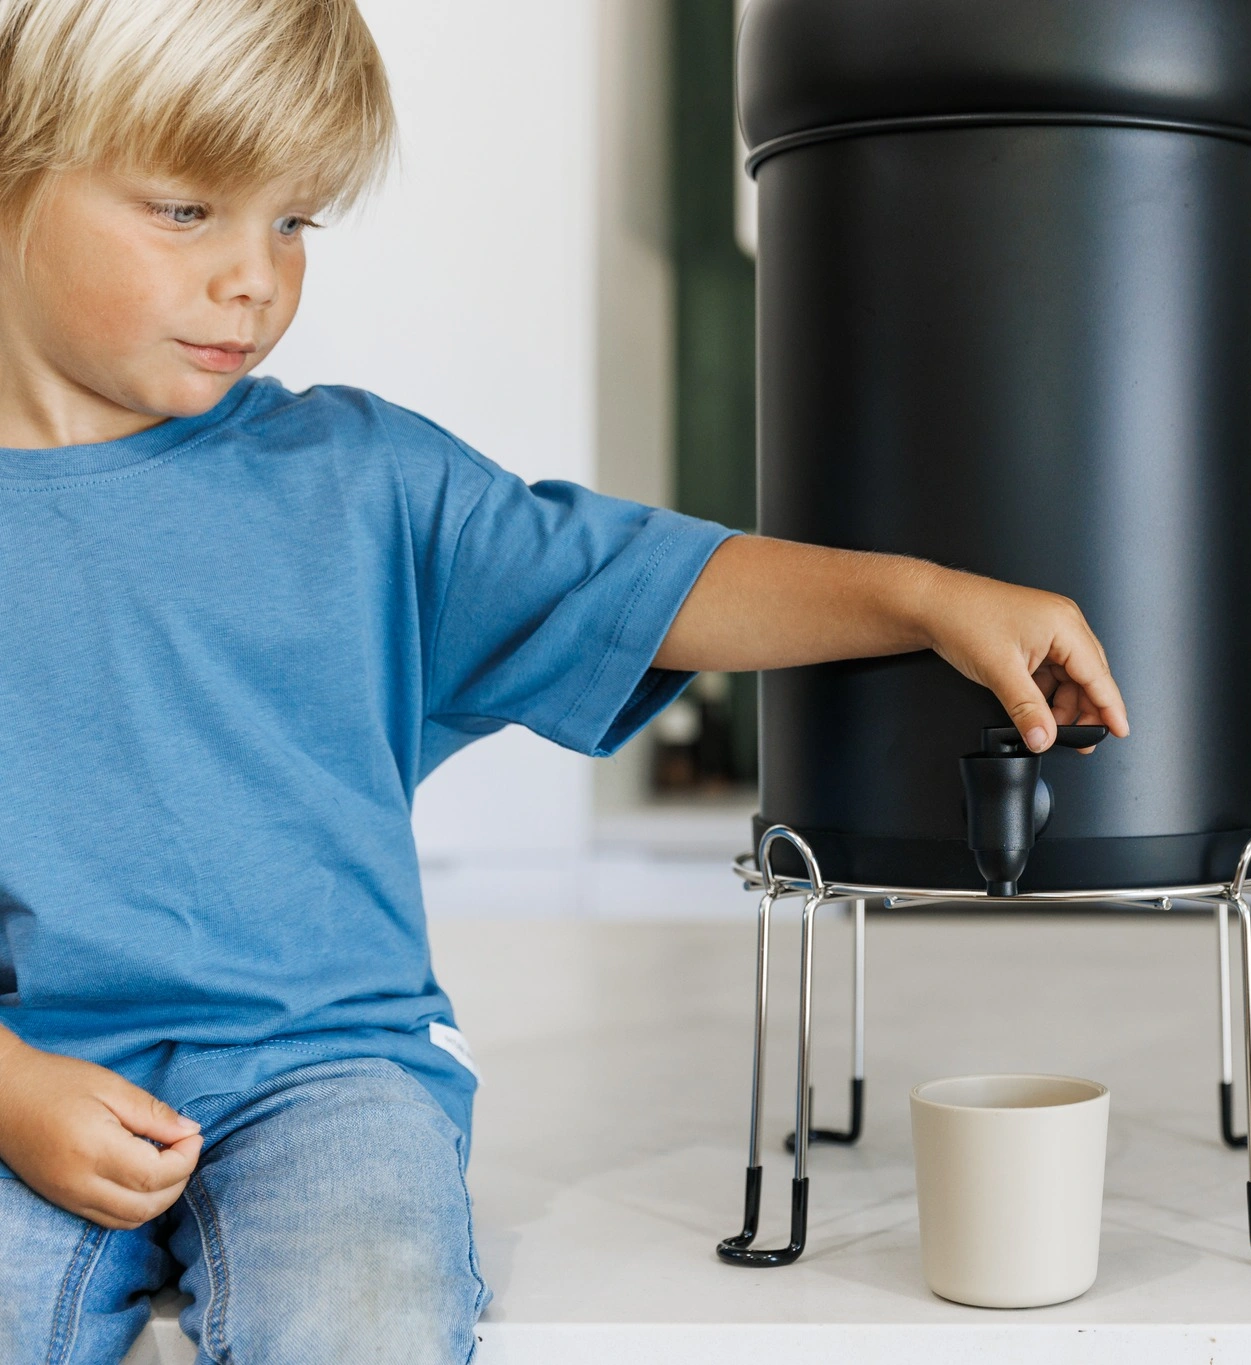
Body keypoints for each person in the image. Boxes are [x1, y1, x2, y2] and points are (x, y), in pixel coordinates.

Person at [0, 1, 1130, 1359]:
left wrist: (923, 595)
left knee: (368, 1322)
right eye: (187, 210)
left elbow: (637, 581)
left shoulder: (363, 483)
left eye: (295, 221)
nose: (255, 277)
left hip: (323, 1075)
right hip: (21, 1071)